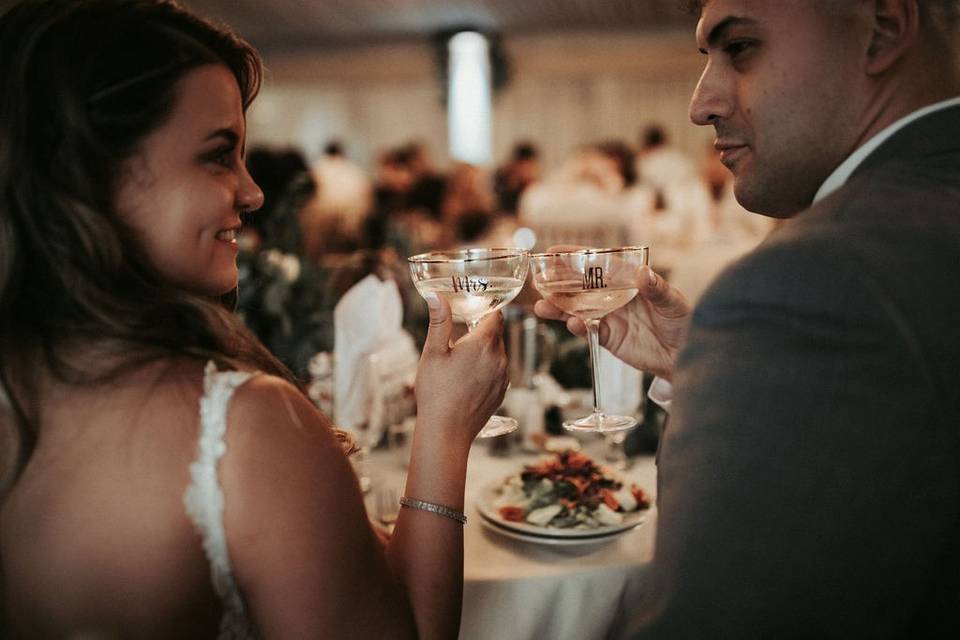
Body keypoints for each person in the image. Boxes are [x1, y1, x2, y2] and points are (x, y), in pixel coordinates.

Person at [0, 1, 508, 638]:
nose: (253, 192)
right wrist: (446, 425)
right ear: (88, 175)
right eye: (218, 156)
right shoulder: (245, 428)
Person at [536, 0, 960, 636]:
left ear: (883, 29)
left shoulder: (816, 280)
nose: (700, 104)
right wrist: (705, 369)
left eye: (740, 49)